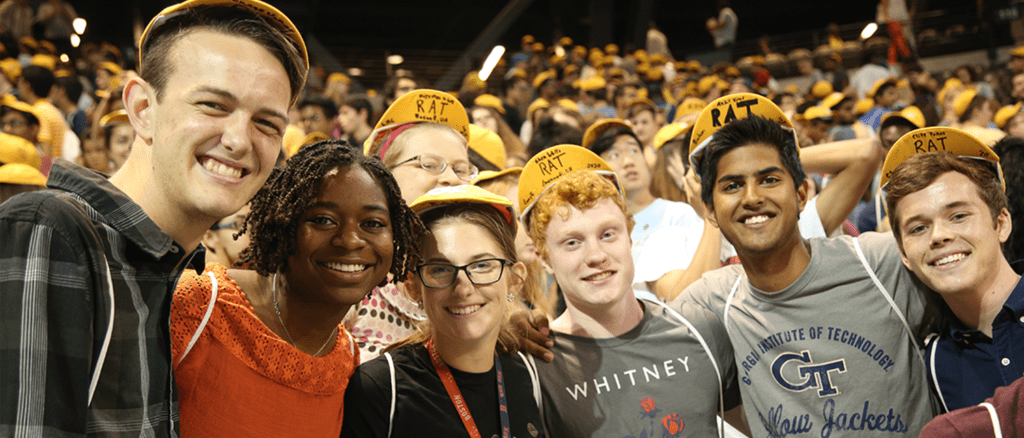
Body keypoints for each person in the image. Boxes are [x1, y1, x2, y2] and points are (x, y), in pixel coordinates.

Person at [0, 0, 308, 434]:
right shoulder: (54, 229)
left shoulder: (178, 268)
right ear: (143, 109)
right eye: (213, 105)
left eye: (267, 123)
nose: (240, 140)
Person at [678, 93, 937, 436]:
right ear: (710, 210)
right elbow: (653, 343)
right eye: (733, 185)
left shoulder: (881, 261)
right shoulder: (712, 301)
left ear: (801, 195)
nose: (752, 197)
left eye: (770, 179)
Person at [172, 141, 420, 436]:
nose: (350, 240)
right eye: (323, 220)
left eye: (372, 223)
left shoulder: (346, 359)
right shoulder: (197, 305)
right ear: (282, 224)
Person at [514, 145, 747, 437]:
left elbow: (766, 428)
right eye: (572, 242)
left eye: (608, 234)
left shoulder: (700, 329)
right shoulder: (532, 364)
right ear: (545, 258)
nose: (596, 255)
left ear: (630, 237)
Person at [341, 184, 543, 438]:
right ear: (414, 287)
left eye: (481, 265)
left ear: (514, 279)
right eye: (440, 269)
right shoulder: (381, 387)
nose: (463, 287)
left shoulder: (527, 374)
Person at [882, 127, 1024, 412]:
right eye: (919, 228)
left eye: (958, 216)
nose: (938, 236)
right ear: (904, 254)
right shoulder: (936, 361)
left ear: (1002, 223)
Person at [348, 88, 475, 361]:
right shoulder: (351, 279)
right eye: (430, 165)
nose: (451, 179)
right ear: (383, 178)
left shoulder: (485, 280)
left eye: (462, 169)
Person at [581, 118, 721, 301]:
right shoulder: (598, 232)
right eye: (614, 155)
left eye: (633, 150)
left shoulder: (679, 213)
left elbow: (694, 294)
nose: (628, 161)